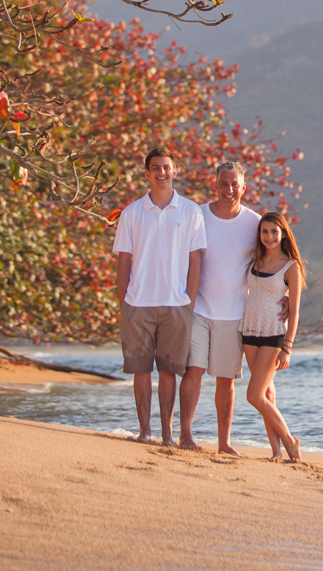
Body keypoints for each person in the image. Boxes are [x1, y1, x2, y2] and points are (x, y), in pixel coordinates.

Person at [114, 146, 207, 445]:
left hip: (177, 304)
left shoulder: (192, 211)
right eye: (156, 168)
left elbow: (196, 261)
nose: (162, 172)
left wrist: (189, 302)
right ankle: (145, 432)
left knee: (169, 371)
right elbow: (123, 260)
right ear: (147, 173)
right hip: (138, 303)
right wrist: (124, 303)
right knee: (140, 370)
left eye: (166, 167)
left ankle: (168, 434)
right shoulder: (131, 213)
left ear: (175, 171)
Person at [177, 161, 261, 453]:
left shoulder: (254, 222)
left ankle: (224, 442)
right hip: (197, 308)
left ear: (244, 187)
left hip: (235, 312)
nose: (229, 190)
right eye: (223, 184)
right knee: (194, 370)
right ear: (215, 185)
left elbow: (276, 261)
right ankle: (186, 435)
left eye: (234, 184)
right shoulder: (197, 215)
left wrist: (285, 296)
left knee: (226, 380)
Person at [240, 211, 305, 461]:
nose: (269, 236)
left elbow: (296, 311)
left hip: (273, 335)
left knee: (253, 395)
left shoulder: (291, 267)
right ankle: (276, 452)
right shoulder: (254, 261)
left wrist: (288, 347)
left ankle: (290, 441)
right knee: (267, 394)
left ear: (283, 233)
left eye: (274, 231)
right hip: (249, 332)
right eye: (264, 231)